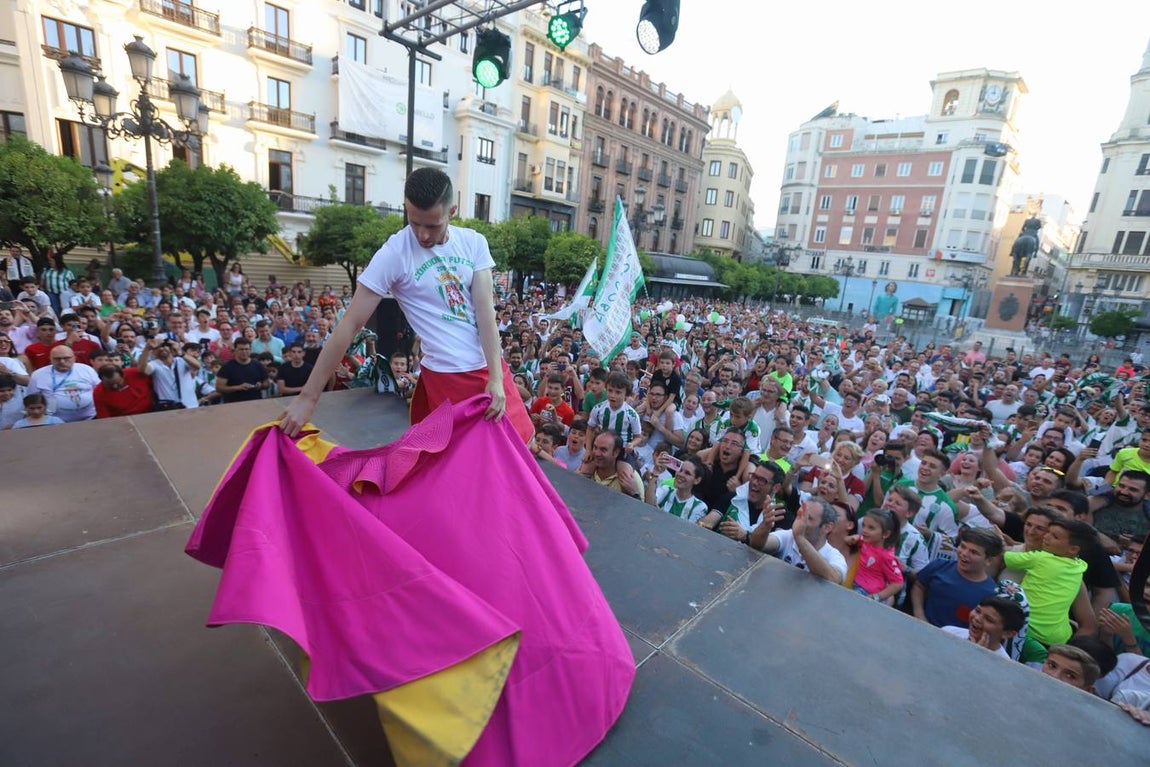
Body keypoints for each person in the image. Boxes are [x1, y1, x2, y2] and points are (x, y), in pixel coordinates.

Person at [280, 168, 529, 441]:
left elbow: (485, 313)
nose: (422, 235)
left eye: (432, 225)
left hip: (491, 368)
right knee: (479, 466)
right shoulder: (394, 254)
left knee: (525, 446)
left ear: (452, 211)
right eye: (414, 223)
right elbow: (350, 323)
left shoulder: (474, 242)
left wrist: (496, 377)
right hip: (449, 376)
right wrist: (308, 397)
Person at [1001, 518, 1092, 658]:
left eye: (1054, 536)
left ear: (1073, 549)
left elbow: (1006, 557)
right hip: (1057, 639)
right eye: (1048, 532)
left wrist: (1001, 542)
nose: (1046, 536)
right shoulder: (1080, 567)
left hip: (1025, 628)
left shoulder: (1041, 558)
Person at [911, 527, 1002, 629]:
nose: (964, 554)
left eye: (973, 552)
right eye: (962, 547)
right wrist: (919, 615)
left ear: (988, 560)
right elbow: (919, 586)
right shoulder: (939, 566)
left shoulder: (990, 593)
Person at [750, 497, 848, 584]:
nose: (800, 521)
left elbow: (833, 579)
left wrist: (800, 538)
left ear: (827, 527)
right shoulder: (788, 536)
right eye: (799, 515)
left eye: (808, 518)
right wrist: (764, 526)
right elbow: (757, 545)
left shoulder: (834, 555)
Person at [24, 345, 100, 422]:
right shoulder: (38, 375)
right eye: (57, 359)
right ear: (50, 359)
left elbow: (99, 391)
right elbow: (32, 400)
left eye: (66, 358)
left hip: (90, 417)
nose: (62, 362)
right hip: (56, 421)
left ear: (74, 358)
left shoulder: (86, 369)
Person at [847, 508, 904, 604]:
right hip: (855, 583)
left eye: (871, 528)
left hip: (868, 593)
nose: (864, 530)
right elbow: (854, 539)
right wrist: (853, 538)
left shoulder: (887, 556)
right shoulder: (868, 541)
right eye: (864, 525)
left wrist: (876, 597)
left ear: (885, 534)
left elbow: (898, 583)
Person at [939, 596, 1026, 658]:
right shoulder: (948, 632)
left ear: (1008, 633)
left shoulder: (1003, 664)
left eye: (988, 619)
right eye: (977, 611)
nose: (977, 618)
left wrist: (976, 657)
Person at [576, 430, 641, 498]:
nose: (597, 453)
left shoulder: (630, 478)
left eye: (603, 449)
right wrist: (581, 478)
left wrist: (634, 494)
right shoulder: (586, 469)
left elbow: (640, 508)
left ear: (616, 453)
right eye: (595, 447)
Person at [215, 338, 270, 403]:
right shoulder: (227, 367)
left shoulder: (258, 365)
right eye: (241, 349)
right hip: (234, 404)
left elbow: (267, 383)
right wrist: (238, 387)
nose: (244, 352)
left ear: (250, 350)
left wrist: (261, 385)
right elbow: (219, 388)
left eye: (246, 349)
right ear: (235, 350)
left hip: (255, 403)